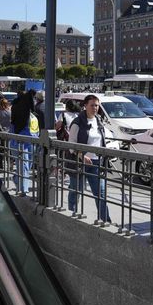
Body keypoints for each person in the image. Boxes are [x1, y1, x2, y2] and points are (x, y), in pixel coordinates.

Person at [67, 94, 112, 223]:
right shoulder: (77, 122)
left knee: (101, 194)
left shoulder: (98, 120)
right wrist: (82, 155)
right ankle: (71, 215)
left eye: (97, 105)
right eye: (92, 105)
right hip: (79, 163)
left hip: (96, 163)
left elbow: (101, 140)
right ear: (85, 106)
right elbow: (71, 145)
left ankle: (105, 220)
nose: (95, 108)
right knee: (76, 191)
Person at [11, 90, 38, 194]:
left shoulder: (31, 113)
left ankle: (17, 179)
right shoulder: (19, 109)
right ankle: (23, 190)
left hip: (31, 142)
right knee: (24, 166)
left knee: (27, 166)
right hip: (21, 142)